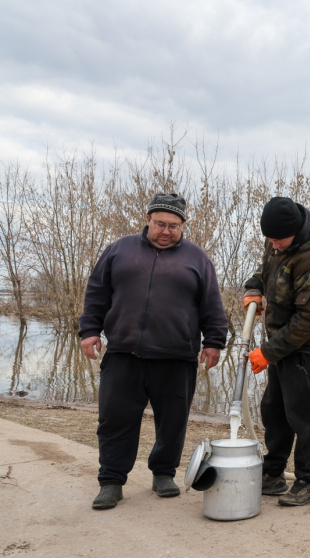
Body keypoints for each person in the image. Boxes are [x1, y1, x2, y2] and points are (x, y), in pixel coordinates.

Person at [79, 193, 228, 510]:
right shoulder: (120, 250)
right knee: (115, 420)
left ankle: (163, 473)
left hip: (176, 357)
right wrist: (89, 330)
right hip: (123, 353)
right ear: (147, 219)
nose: (166, 230)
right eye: (160, 223)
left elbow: (212, 305)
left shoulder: (197, 258)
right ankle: (111, 481)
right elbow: (96, 292)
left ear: (182, 225)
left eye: (174, 225)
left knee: (173, 421)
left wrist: (215, 342)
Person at [243, 196, 310, 507]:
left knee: (303, 416)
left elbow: (309, 320)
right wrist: (253, 287)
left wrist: (268, 352)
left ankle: (305, 482)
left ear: (295, 231)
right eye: (268, 238)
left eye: (278, 239)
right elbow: (265, 268)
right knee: (274, 410)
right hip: (283, 350)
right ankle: (272, 475)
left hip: (307, 351)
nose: (273, 244)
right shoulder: (278, 244)